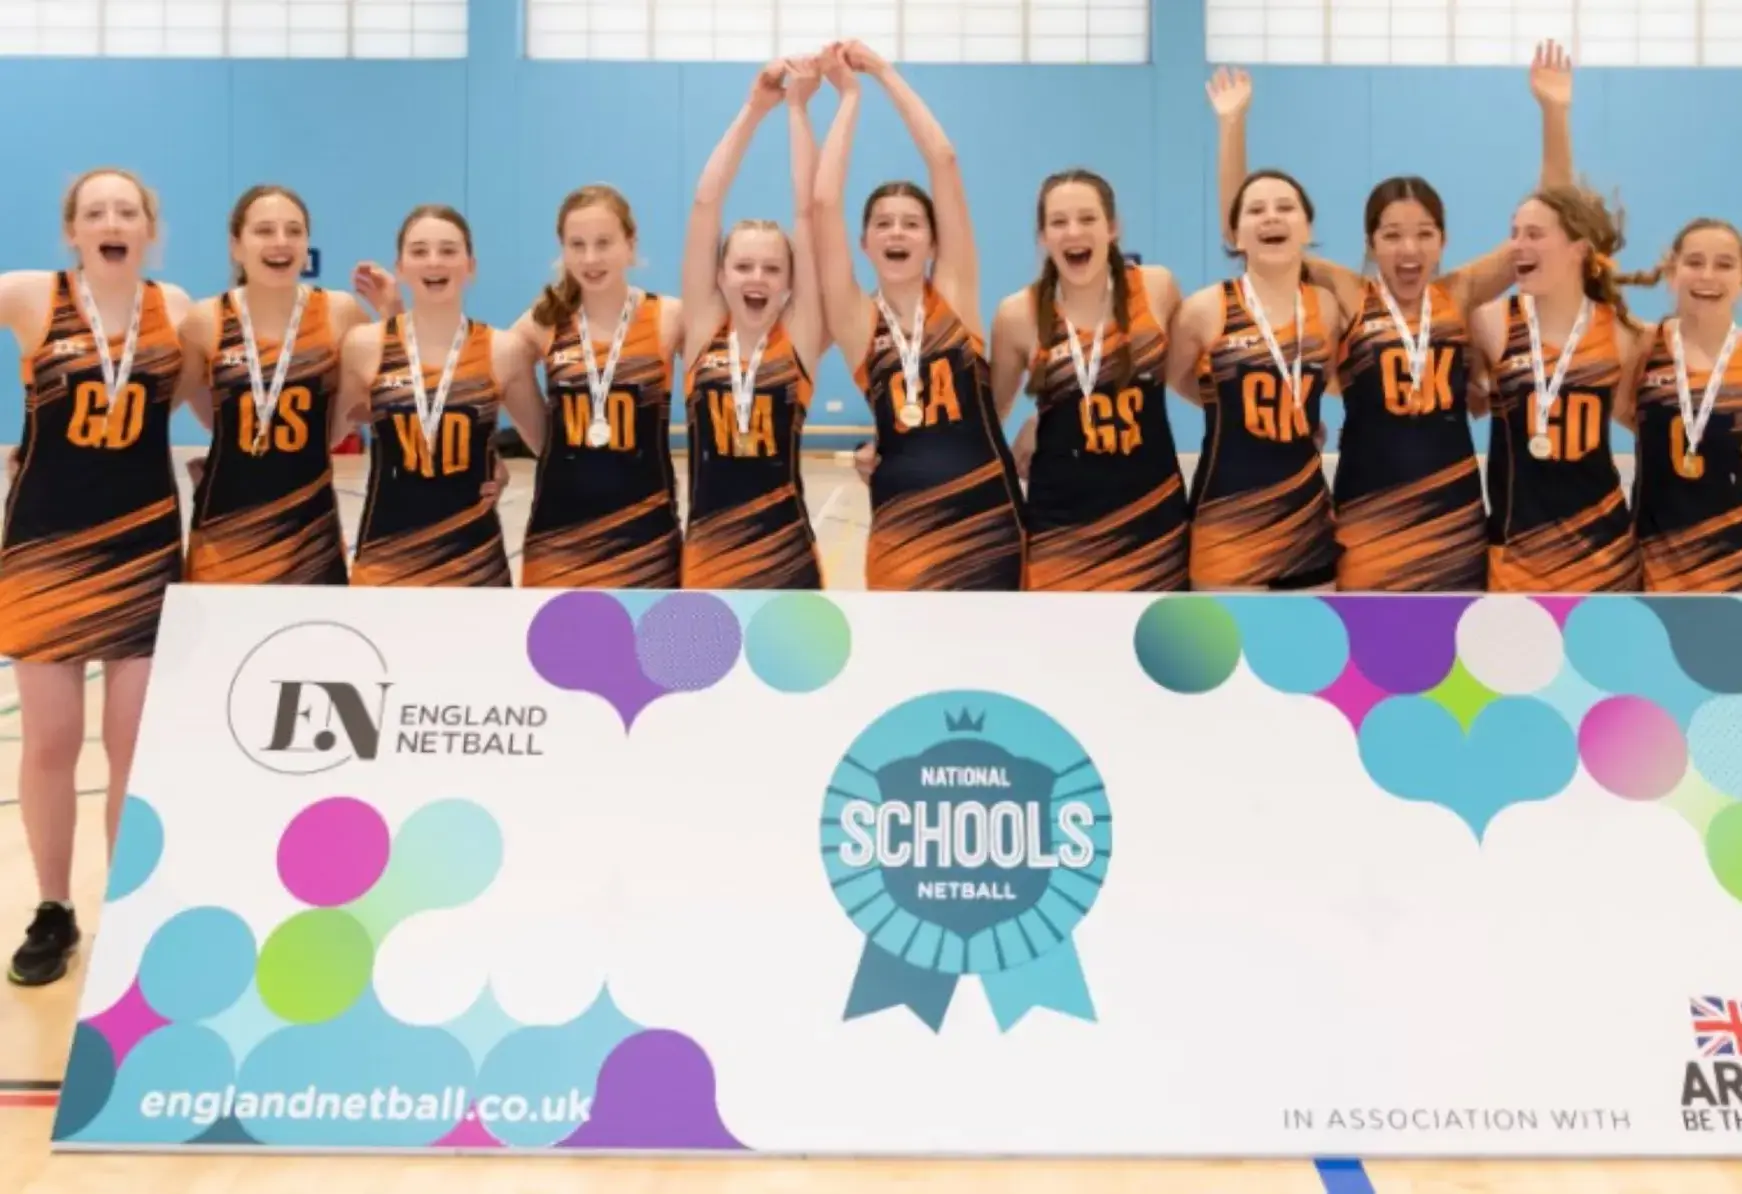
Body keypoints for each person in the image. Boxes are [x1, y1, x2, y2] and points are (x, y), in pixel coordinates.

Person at [1207, 41, 1575, 591]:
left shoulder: (1461, 291)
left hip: (1454, 524)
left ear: (1443, 240)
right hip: (1367, 525)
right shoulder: (1351, 294)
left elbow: (1554, 222)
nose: (1409, 250)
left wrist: (1554, 113)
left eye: (1424, 234)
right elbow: (1250, 234)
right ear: (1371, 243)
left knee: (1450, 665)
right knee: (1371, 667)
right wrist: (1232, 125)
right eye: (1392, 235)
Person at [0, 167, 192, 986]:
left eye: (126, 209)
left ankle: (129, 909)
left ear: (148, 227)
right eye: (94, 211)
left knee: (131, 745)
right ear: (72, 230)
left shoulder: (178, 309)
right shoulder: (29, 295)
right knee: (46, 741)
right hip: (44, 546)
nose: (111, 220)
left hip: (143, 544)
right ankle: (52, 908)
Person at [815, 40, 1025, 590]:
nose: (897, 232)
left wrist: (884, 71)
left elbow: (944, 160)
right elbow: (822, 206)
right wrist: (849, 98)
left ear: (933, 240)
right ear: (864, 243)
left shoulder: (955, 296)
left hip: (989, 518)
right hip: (901, 528)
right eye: (883, 223)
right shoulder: (856, 321)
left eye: (911, 223)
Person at [176, 184, 401, 584]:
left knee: (312, 644)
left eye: (294, 231)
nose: (281, 242)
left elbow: (385, 393)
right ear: (236, 245)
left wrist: (391, 313)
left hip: (310, 529)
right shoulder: (205, 320)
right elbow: (209, 416)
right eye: (264, 230)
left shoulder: (338, 312)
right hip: (226, 527)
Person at [991, 169, 1187, 591]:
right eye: (1058, 222)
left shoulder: (1157, 288)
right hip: (1061, 531)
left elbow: (1192, 377)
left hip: (1153, 522)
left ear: (1112, 228)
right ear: (1042, 236)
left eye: (1087, 218)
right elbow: (988, 417)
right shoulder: (1017, 314)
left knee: (1155, 653)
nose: (1073, 232)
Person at [679, 56, 829, 590]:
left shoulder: (802, 336)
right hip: (706, 558)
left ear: (790, 281)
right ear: (720, 274)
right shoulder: (701, 331)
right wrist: (753, 109)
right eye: (743, 265)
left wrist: (796, 109)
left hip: (788, 557)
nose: (756, 277)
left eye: (771, 267)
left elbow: (808, 212)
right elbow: (705, 204)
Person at [337, 205, 543, 587]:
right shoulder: (364, 346)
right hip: (384, 565)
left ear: (471, 265)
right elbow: (321, 443)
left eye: (449, 250)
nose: (434, 262)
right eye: (419, 251)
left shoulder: (503, 350)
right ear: (400, 266)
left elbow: (552, 451)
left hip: (475, 567)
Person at [1168, 169, 1347, 590]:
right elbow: (1176, 379)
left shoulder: (1328, 307)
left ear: (1307, 227)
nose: (1272, 218)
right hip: (1226, 529)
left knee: (1308, 655)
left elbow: (1329, 383)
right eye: (1256, 210)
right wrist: (1239, 412)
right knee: (1222, 656)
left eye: (1286, 208)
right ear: (1235, 235)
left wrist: (1289, 413)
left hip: (1308, 525)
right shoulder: (1204, 309)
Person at [1469, 185, 1644, 592]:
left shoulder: (1623, 335)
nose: (1517, 245)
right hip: (1514, 559)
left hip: (1605, 557)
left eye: (1534, 234)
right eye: (1514, 233)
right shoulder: (1489, 323)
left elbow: (1638, 419)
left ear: (1578, 249)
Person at [510, 184, 684, 589]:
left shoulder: (669, 317)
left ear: (630, 243)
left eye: (604, 243)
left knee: (641, 650)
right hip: (559, 539)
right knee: (560, 651)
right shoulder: (543, 321)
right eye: (577, 245)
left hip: (646, 537)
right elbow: (474, 375)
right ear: (563, 249)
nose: (590, 258)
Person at [1620, 219, 1742, 591]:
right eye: (1694, 262)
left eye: (1724, 264)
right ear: (1672, 272)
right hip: (1652, 572)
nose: (1708, 276)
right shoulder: (1643, 345)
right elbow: (1623, 413)